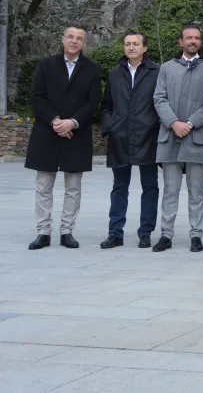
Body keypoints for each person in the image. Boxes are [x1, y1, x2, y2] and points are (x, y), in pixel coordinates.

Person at [25, 25, 102, 251]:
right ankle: (43, 231)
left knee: (73, 187)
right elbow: (37, 97)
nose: (74, 41)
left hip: (76, 134)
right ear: (63, 39)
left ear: (85, 44)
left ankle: (67, 231)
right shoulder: (46, 65)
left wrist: (73, 122)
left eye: (79, 38)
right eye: (70, 37)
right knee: (43, 186)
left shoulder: (92, 68)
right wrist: (56, 122)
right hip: (47, 132)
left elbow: (93, 101)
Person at [151, 23, 203, 253]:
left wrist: (189, 124)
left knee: (196, 191)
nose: (193, 41)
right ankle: (165, 234)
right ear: (180, 41)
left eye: (197, 38)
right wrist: (174, 123)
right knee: (170, 190)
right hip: (170, 137)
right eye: (189, 38)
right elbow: (159, 99)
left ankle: (196, 235)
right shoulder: (166, 68)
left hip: (196, 138)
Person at [99, 30, 160, 249]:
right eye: (127, 43)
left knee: (150, 186)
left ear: (145, 48)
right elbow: (106, 106)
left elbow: (162, 103)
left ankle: (146, 232)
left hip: (148, 137)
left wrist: (155, 127)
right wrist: (110, 127)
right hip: (120, 137)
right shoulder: (115, 73)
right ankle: (115, 232)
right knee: (119, 187)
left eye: (135, 43)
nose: (131, 47)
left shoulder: (157, 72)